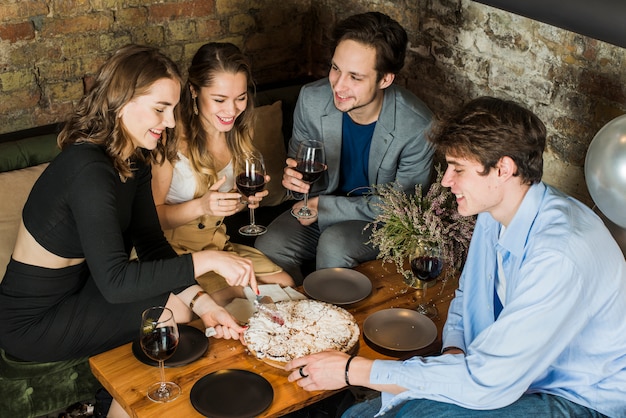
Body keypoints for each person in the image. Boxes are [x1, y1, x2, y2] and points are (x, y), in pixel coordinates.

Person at [284, 97, 626, 417]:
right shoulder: (498, 210)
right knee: (359, 413)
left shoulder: (559, 255)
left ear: (503, 169)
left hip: (578, 397)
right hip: (511, 373)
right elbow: (466, 296)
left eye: (457, 169)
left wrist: (350, 370)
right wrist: (453, 352)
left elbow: (489, 382)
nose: (446, 182)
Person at [0, 44, 256, 369]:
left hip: (82, 289)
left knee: (180, 307)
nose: (172, 122)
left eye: (174, 109)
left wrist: (205, 304)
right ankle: (120, 401)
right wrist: (207, 260)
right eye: (160, 109)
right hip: (34, 321)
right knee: (171, 314)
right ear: (121, 102)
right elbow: (116, 283)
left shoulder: (134, 157)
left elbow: (151, 244)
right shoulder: (88, 170)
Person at [254, 12, 435, 284]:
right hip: (318, 207)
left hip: (381, 221)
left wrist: (327, 207)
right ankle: (295, 319)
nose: (338, 85)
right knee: (270, 244)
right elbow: (301, 175)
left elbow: (402, 209)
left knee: (335, 243)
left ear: (385, 79)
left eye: (355, 77)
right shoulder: (311, 100)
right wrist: (294, 182)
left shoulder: (418, 126)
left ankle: (335, 324)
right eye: (336, 68)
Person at [151, 42, 294, 297]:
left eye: (240, 98)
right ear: (194, 91)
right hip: (172, 253)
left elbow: (226, 205)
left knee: (286, 284)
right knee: (236, 302)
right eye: (219, 99)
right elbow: (152, 218)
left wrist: (242, 201)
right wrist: (201, 206)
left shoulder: (238, 133)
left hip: (217, 245)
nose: (231, 110)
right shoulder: (168, 137)